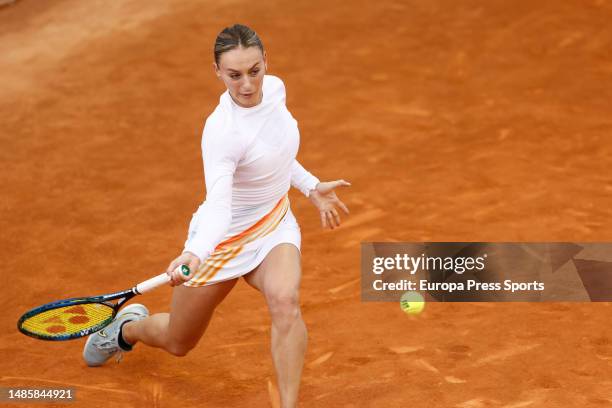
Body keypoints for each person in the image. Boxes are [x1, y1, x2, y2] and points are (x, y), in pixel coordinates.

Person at [82, 24, 350, 407]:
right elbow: (219, 204)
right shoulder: (221, 131)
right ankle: (127, 329)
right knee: (178, 341)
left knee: (285, 300)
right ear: (217, 72)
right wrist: (195, 251)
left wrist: (310, 186)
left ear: (265, 63)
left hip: (273, 223)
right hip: (219, 242)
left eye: (254, 70)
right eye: (234, 75)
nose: (247, 84)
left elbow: (276, 152)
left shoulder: (275, 89)